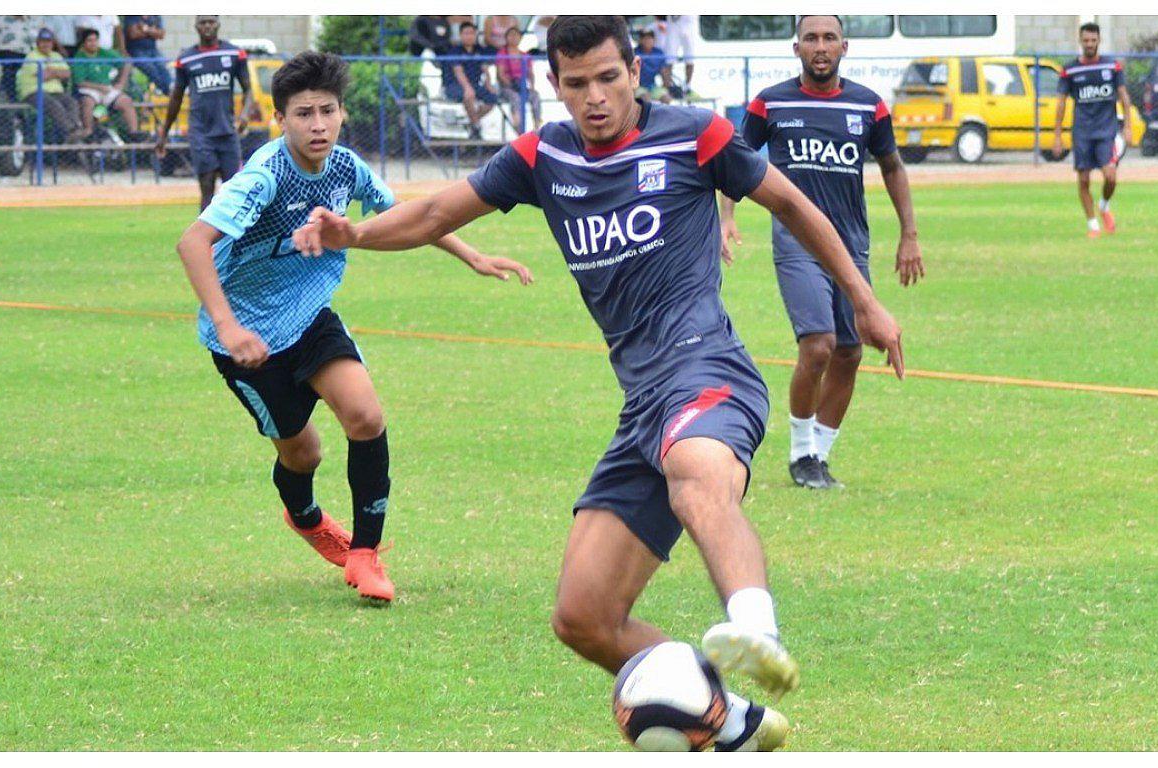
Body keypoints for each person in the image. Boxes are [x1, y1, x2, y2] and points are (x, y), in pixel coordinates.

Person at [292, 16, 905, 751]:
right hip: (642, 401)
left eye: (608, 78)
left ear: (635, 71)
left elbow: (792, 204)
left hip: (709, 369)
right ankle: (733, 721)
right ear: (555, 85)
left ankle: (753, 626)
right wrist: (354, 233)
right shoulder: (540, 155)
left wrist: (863, 300)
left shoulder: (695, 134)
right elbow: (431, 213)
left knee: (694, 472)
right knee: (583, 617)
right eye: (576, 83)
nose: (594, 97)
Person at [174, 51, 532, 603]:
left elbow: (411, 215)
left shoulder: (345, 167)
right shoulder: (264, 176)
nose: (317, 125)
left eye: (327, 111)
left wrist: (474, 256)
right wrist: (228, 327)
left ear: (342, 113)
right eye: (303, 114)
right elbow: (192, 243)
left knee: (365, 416)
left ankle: (366, 557)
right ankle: (306, 517)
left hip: (311, 318)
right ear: (282, 119)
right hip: (249, 339)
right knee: (304, 455)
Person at [720, 15, 923, 490]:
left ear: (844, 47)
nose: (820, 46)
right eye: (811, 38)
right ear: (797, 48)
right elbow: (735, 160)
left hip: (851, 245)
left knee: (850, 352)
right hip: (796, 244)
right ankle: (799, 453)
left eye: (829, 37)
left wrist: (909, 233)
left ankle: (819, 457)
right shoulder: (770, 103)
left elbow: (893, 168)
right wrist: (726, 218)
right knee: (819, 345)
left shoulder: (868, 106)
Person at [155, 16, 256, 211]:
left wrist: (244, 114)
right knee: (207, 189)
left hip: (227, 132)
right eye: (203, 22)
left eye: (211, 21)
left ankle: (236, 239)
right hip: (201, 133)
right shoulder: (186, 59)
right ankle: (205, 239)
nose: (207, 26)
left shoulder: (234, 53)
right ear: (195, 26)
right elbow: (176, 97)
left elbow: (248, 90)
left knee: (234, 189)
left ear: (218, 24)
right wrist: (164, 132)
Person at [1053, 22, 1132, 238]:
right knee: (1084, 180)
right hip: (1082, 133)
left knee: (1111, 176)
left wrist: (1128, 127)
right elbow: (1060, 104)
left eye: (1093, 40)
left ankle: (1104, 206)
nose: (1089, 44)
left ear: (1099, 41)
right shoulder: (1070, 70)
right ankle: (1093, 225)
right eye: (1086, 40)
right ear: (1080, 41)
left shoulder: (1112, 67)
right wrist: (1057, 135)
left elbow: (1124, 98)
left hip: (1106, 131)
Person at [16, 28, 88, 142]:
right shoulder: (32, 56)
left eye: (48, 41)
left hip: (55, 92)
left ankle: (74, 132)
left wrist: (51, 71)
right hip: (33, 92)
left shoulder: (56, 56)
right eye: (43, 41)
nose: (46, 44)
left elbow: (67, 74)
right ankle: (71, 131)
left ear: (52, 43)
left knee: (71, 102)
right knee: (54, 104)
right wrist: (56, 72)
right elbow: (43, 76)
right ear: (38, 43)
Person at [70, 28, 141, 137]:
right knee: (87, 102)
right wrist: (99, 87)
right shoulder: (79, 57)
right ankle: (88, 130)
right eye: (90, 41)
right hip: (89, 89)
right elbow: (80, 82)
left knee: (126, 101)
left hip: (106, 88)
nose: (93, 43)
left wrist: (121, 83)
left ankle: (134, 133)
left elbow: (126, 63)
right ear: (84, 43)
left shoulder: (104, 52)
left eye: (95, 40)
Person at [439, 22, 498, 139]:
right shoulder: (455, 50)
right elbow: (458, 71)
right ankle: (476, 127)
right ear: (460, 35)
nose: (469, 36)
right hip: (453, 85)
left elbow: (485, 69)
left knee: (492, 98)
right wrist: (467, 88)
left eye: (472, 33)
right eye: (466, 33)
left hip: (474, 85)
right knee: (469, 96)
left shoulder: (479, 50)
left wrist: (488, 84)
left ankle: (472, 122)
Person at [0, 15, 39, 99]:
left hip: (29, 55)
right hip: (6, 53)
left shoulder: (30, 18)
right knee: (10, 78)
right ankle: (10, 99)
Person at [496, 27, 542, 133]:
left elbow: (530, 73)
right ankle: (519, 128)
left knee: (535, 96)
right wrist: (511, 85)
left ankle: (537, 126)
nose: (513, 38)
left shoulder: (525, 55)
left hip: (521, 85)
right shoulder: (502, 54)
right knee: (515, 98)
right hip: (507, 87)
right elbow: (500, 74)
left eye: (516, 35)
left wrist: (532, 86)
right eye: (511, 35)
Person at [121, 15, 172, 95]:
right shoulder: (132, 16)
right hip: (136, 50)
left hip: (153, 50)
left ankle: (171, 89)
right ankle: (168, 91)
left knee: (163, 66)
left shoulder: (156, 16)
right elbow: (133, 34)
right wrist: (153, 31)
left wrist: (145, 29)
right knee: (150, 68)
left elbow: (161, 35)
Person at [655, 14, 698, 94]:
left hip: (690, 22)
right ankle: (667, 86)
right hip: (673, 24)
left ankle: (688, 86)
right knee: (669, 58)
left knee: (690, 58)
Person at [633, 29, 675, 103]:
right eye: (645, 38)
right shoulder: (634, 53)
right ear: (640, 40)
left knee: (667, 98)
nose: (648, 41)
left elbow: (664, 72)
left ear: (654, 40)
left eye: (650, 38)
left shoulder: (658, 53)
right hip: (638, 86)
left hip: (653, 86)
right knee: (646, 99)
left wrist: (667, 86)